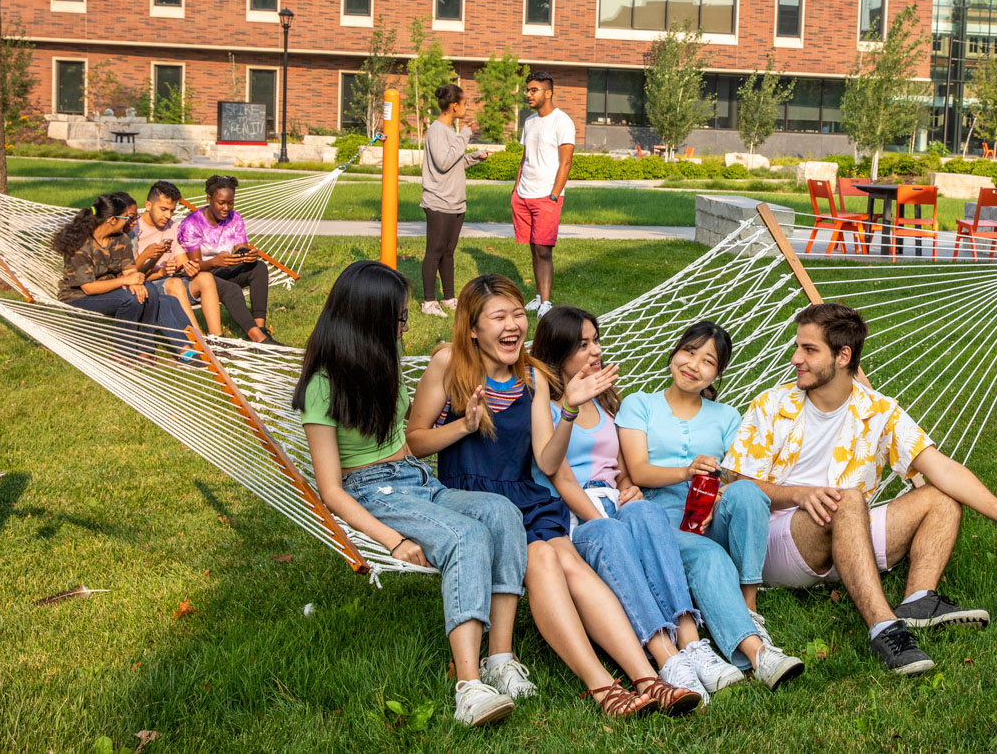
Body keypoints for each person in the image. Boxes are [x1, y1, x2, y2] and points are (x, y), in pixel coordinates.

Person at [407, 274, 700, 718]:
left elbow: (547, 461)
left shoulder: (532, 377)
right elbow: (415, 440)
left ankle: (646, 678)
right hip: (472, 497)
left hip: (527, 496)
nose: (513, 325)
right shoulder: (449, 364)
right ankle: (603, 687)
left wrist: (568, 411)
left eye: (517, 314)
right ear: (471, 326)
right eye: (498, 316)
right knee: (545, 560)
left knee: (568, 561)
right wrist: (464, 426)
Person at [723, 302, 997, 676]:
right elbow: (739, 484)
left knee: (940, 496)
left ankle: (918, 600)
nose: (795, 358)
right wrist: (799, 493)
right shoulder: (772, 404)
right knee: (848, 498)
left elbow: (942, 468)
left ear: (843, 355)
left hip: (848, 533)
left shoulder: (879, 410)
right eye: (798, 347)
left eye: (808, 349)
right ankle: (884, 627)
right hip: (778, 539)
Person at [294, 261, 530, 729]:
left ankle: (498, 659)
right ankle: (468, 687)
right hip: (372, 492)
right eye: (400, 317)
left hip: (417, 480)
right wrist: (392, 540)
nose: (406, 325)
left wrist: (461, 426)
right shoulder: (323, 385)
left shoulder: (385, 360)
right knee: (466, 537)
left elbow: (404, 440)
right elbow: (330, 490)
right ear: (368, 318)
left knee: (502, 513)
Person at [532, 307, 804, 700]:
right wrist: (660, 482)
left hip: (654, 507)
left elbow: (622, 469)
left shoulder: (609, 398)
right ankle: (707, 653)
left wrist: (634, 489)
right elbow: (561, 469)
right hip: (607, 513)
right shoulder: (570, 399)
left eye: (596, 340)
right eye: (583, 344)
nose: (595, 350)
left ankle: (723, 627)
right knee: (694, 551)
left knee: (725, 500)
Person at [616, 322, 798, 674]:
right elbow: (637, 470)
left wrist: (722, 493)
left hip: (709, 511)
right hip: (659, 515)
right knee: (708, 555)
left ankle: (749, 608)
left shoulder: (727, 416)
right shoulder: (640, 404)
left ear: (718, 372)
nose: (693, 365)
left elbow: (737, 474)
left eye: (707, 360)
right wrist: (686, 471)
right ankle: (756, 653)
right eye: (689, 351)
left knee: (747, 492)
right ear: (675, 352)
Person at [50, 191, 194, 358]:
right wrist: (127, 280)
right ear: (111, 220)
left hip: (110, 291)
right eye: (126, 218)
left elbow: (129, 268)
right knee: (130, 299)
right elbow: (89, 288)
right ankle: (123, 352)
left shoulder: (120, 238)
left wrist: (135, 281)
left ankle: (148, 351)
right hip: (79, 297)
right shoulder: (81, 245)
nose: (132, 221)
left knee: (151, 291)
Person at [177, 174, 276, 344]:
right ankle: (256, 337)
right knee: (231, 289)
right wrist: (215, 262)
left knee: (259, 267)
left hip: (222, 269)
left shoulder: (235, 218)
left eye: (230, 203)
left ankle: (260, 328)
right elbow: (194, 267)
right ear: (209, 199)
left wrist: (248, 255)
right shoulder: (192, 224)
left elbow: (241, 247)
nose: (226, 208)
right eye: (221, 203)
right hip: (200, 276)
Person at [510, 72, 574, 317]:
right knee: (533, 248)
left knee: (544, 250)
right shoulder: (529, 122)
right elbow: (524, 158)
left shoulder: (562, 121)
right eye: (528, 90)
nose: (528, 94)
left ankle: (546, 302)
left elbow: (565, 163)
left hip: (547, 196)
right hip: (524, 195)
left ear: (548, 92)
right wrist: (516, 190)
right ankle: (538, 297)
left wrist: (554, 195)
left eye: (533, 90)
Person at [420, 82, 482, 319]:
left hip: (455, 202)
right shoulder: (437, 130)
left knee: (448, 252)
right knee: (434, 251)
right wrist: (465, 135)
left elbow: (455, 162)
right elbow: (444, 162)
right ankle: (428, 302)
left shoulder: (449, 132)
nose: (466, 107)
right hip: (439, 201)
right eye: (464, 103)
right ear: (455, 106)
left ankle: (448, 298)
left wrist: (475, 157)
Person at [132, 180, 223, 335]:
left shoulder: (172, 228)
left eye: (172, 211)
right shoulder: (134, 229)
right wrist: (159, 269)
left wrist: (188, 268)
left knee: (205, 278)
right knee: (175, 283)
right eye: (163, 209)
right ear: (148, 205)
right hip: (146, 287)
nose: (168, 215)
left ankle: (217, 337)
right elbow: (131, 273)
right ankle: (199, 339)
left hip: (171, 281)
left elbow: (181, 262)